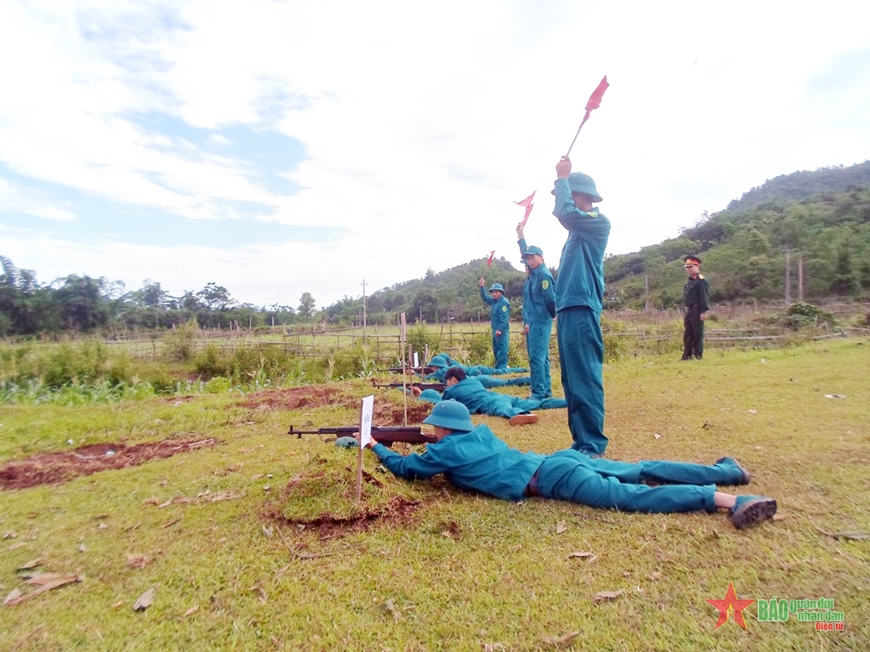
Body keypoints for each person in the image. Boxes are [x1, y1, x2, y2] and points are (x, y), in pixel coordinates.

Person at [364, 400, 777, 529]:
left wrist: (374, 446)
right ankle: (726, 470)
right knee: (640, 468)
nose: (429, 431)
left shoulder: (442, 452)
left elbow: (406, 470)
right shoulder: (481, 434)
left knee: (631, 496)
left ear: (440, 428)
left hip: (552, 477)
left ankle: (729, 499)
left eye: (432, 427)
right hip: (557, 459)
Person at [552, 156, 610, 456]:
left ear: (584, 197)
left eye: (571, 193)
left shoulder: (596, 223)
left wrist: (563, 178)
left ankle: (593, 443)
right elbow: (566, 213)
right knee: (571, 379)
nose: (566, 199)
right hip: (567, 308)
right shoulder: (576, 232)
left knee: (584, 376)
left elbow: (565, 212)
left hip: (582, 307)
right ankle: (581, 441)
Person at [414, 367, 567, 425]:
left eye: (447, 382)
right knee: (537, 403)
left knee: (503, 409)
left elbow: (441, 404)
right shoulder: (474, 382)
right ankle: (568, 402)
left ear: (453, 379)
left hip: (488, 402)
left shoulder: (451, 391)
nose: (446, 385)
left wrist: (420, 395)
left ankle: (522, 415)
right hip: (498, 395)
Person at [516, 222, 556, 400]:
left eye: (532, 257)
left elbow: (551, 299)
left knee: (537, 358)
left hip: (541, 321)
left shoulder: (543, 275)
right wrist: (521, 237)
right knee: (542, 358)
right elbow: (524, 256)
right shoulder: (534, 274)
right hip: (533, 322)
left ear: (541, 257)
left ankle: (539, 393)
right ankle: (545, 391)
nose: (529, 260)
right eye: (528, 259)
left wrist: (553, 316)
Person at [682, 255, 711, 360]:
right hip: (689, 309)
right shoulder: (690, 281)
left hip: (697, 309)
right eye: (687, 267)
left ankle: (698, 355)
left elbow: (704, 296)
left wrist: (704, 311)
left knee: (697, 333)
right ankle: (687, 355)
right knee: (688, 333)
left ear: (697, 266)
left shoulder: (701, 281)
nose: (688, 269)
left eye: (691, 267)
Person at [419, 355, 527, 382]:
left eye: (432, 367)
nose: (431, 369)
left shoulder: (442, 371)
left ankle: (524, 373)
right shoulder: (451, 366)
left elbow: (425, 379)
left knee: (503, 378)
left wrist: (414, 373)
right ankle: (523, 370)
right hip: (477, 370)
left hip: (477, 374)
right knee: (501, 373)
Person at [478, 279, 511, 369]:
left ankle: (503, 367)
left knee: (502, 349)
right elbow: (485, 297)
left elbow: (504, 319)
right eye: (492, 292)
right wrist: (482, 287)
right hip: (494, 330)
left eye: (496, 292)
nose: (494, 294)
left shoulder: (503, 303)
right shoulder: (494, 302)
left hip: (501, 331)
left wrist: (500, 329)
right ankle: (498, 366)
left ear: (501, 292)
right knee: (496, 349)